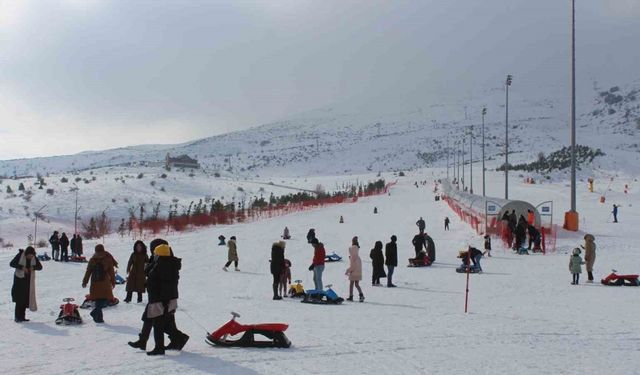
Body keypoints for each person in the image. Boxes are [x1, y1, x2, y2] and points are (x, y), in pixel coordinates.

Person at [128, 239, 188, 354]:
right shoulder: (158, 257)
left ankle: (177, 339)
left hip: (160, 297)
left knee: (162, 322)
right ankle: (143, 340)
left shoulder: (164, 259)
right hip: (158, 296)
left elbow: (162, 278)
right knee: (149, 318)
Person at [145, 242, 186, 355]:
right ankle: (179, 339)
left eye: (155, 254)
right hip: (165, 298)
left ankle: (159, 348)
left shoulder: (163, 266)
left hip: (161, 299)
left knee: (158, 324)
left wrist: (165, 300)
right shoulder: (164, 264)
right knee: (166, 323)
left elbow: (166, 284)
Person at [82, 244, 116, 323]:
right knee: (105, 299)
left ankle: (99, 318)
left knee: (98, 300)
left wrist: (85, 281)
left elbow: (88, 271)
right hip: (105, 282)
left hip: (95, 283)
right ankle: (95, 313)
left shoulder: (92, 259)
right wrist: (113, 282)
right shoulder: (107, 258)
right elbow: (111, 272)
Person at [10, 247, 42, 322]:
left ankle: (22, 317)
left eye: (31, 256)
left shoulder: (34, 257)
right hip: (19, 280)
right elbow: (12, 264)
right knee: (19, 299)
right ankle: (17, 317)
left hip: (28, 281)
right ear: (26, 254)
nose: (30, 257)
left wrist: (33, 267)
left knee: (25, 299)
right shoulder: (20, 255)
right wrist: (22, 267)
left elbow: (40, 267)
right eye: (29, 256)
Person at [345, 236, 365, 302]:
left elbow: (352, 266)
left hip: (353, 272)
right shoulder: (358, 257)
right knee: (357, 284)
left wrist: (347, 271)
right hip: (358, 272)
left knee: (351, 284)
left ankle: (351, 296)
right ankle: (361, 294)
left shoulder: (352, 257)